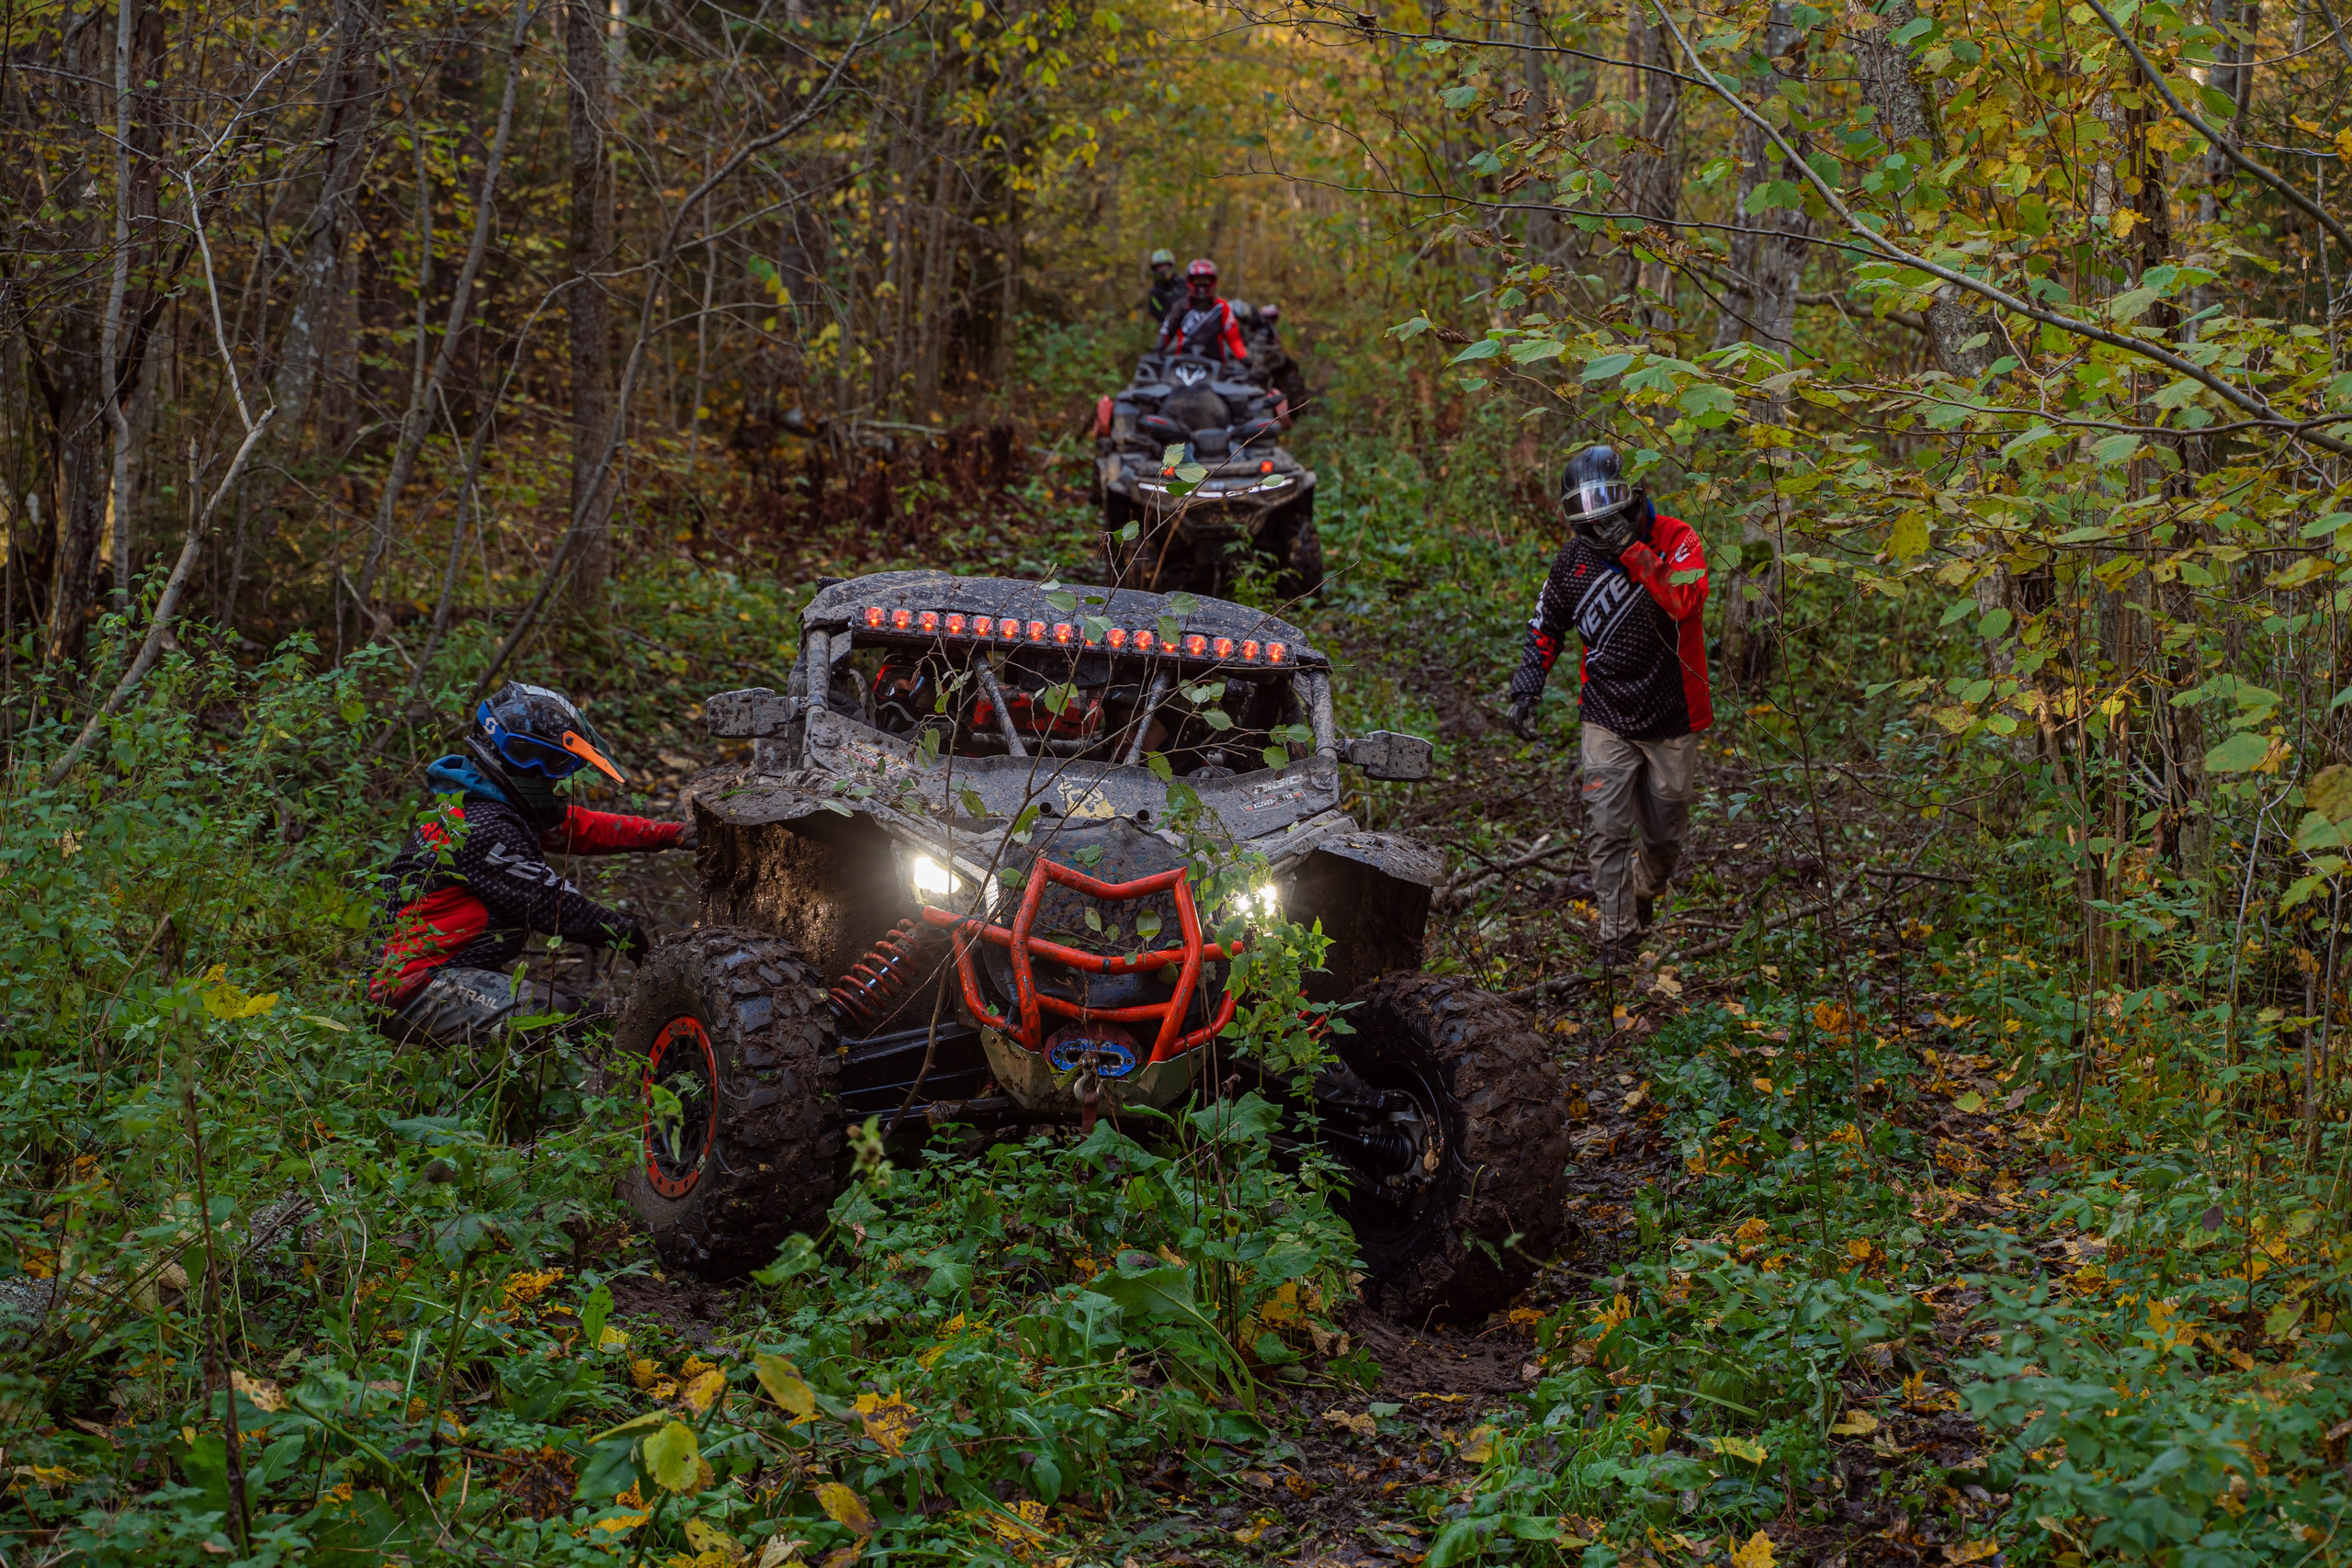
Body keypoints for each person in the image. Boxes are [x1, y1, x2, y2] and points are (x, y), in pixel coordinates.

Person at [371, 682, 694, 1043]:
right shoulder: (483, 827)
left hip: (440, 971)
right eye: (551, 763)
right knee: (551, 1016)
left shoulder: (484, 804)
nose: (553, 775)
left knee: (581, 1014)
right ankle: (519, 1096)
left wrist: (671, 834)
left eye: (560, 764)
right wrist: (630, 936)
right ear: (513, 753)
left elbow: (577, 828)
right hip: (413, 987)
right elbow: (554, 905)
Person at [1507, 446, 1711, 964]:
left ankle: (1644, 892)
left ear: (1632, 497)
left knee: (1664, 837)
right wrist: (1528, 687)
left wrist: (1634, 552)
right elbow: (1546, 625)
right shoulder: (1574, 561)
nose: (1599, 526)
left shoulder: (1677, 538)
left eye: (1608, 513)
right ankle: (1617, 938)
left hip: (1672, 713)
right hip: (1605, 711)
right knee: (1606, 827)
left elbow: (1684, 602)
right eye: (1588, 518)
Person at [1157, 258, 1250, 363]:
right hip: (1181, 363)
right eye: (1197, 281)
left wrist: (1243, 357)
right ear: (1190, 282)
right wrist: (1156, 351)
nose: (1201, 287)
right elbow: (1166, 332)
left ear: (1213, 282)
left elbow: (1233, 338)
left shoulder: (1222, 307)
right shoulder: (1180, 306)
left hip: (1215, 365)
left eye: (1206, 281)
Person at [1145, 249, 1182, 322]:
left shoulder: (1184, 283)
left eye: (1165, 266)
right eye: (1160, 267)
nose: (1163, 270)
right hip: (1175, 329)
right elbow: (1162, 316)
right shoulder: (1155, 294)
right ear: (1155, 270)